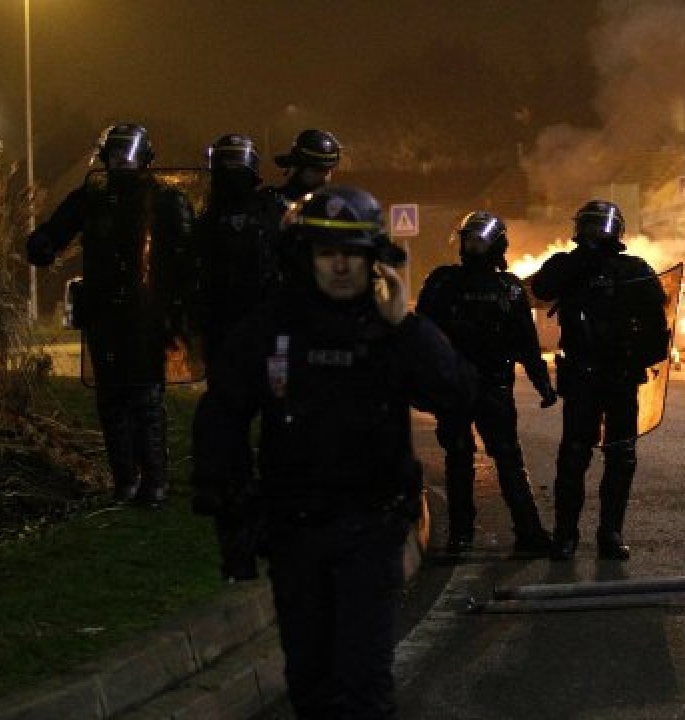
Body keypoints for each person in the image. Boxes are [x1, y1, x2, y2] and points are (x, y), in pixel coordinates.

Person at [191, 185, 475, 719]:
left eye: (353, 253)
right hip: (294, 530)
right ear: (307, 256)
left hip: (370, 529)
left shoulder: (390, 328)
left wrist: (407, 325)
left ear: (373, 258)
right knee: (310, 680)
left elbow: (455, 394)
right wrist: (224, 494)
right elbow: (224, 408)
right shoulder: (273, 327)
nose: (340, 265)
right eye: (327, 253)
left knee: (363, 683)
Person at [26, 123, 197, 507]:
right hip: (104, 312)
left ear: (145, 159)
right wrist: (44, 242)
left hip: (148, 314)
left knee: (146, 398)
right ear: (105, 158)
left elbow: (187, 257)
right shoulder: (92, 197)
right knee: (111, 399)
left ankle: (154, 482)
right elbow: (56, 230)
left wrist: (179, 306)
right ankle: (125, 481)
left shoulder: (165, 200)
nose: (122, 161)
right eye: (116, 154)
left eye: (129, 154)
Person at [530, 200, 670, 561]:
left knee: (621, 456)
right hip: (581, 375)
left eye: (602, 226)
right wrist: (583, 259)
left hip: (621, 376)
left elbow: (658, 325)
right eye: (590, 226)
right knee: (574, 456)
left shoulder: (634, 269)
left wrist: (638, 359)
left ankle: (610, 532)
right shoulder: (566, 265)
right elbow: (542, 288)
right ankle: (566, 535)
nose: (597, 232)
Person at [416, 211, 558, 555]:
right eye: (470, 240)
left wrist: (543, 383)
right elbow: (421, 336)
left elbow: (525, 341)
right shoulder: (456, 283)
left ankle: (495, 534)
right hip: (467, 386)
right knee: (476, 456)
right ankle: (510, 533)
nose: (473, 247)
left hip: (484, 385)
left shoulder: (482, 285)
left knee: (482, 457)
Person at [196, 133, 284, 366]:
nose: (233, 171)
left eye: (238, 164)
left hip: (259, 312)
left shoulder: (270, 210)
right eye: (228, 164)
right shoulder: (206, 216)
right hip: (218, 314)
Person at [268, 129, 342, 284]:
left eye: (328, 170)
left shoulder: (337, 207)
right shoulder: (271, 203)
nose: (324, 177)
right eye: (317, 170)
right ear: (299, 166)